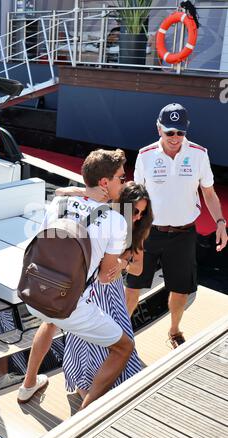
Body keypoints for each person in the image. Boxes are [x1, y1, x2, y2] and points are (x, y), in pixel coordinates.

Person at [17, 149, 135, 409]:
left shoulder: (58, 202)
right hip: (68, 305)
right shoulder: (116, 219)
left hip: (35, 292)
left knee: (48, 322)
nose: (124, 183)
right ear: (105, 183)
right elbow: (105, 277)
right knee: (123, 347)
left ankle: (27, 385)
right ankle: (85, 415)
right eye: (120, 177)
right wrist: (123, 262)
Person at [125, 103, 228, 349]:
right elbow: (135, 195)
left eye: (180, 132)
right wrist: (130, 234)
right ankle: (122, 335)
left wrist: (221, 223)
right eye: (169, 132)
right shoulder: (145, 155)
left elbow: (209, 193)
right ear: (159, 128)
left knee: (181, 290)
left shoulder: (199, 154)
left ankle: (174, 330)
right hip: (148, 232)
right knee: (133, 287)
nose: (175, 138)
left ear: (186, 130)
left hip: (183, 234)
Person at [60, 181, 153, 399]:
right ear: (124, 206)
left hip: (112, 293)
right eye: (136, 211)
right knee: (83, 341)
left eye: (143, 213)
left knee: (120, 339)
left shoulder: (137, 231)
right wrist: (86, 191)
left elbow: (138, 269)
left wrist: (123, 264)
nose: (139, 217)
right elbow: (60, 192)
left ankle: (113, 385)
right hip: (89, 289)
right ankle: (86, 386)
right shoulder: (105, 216)